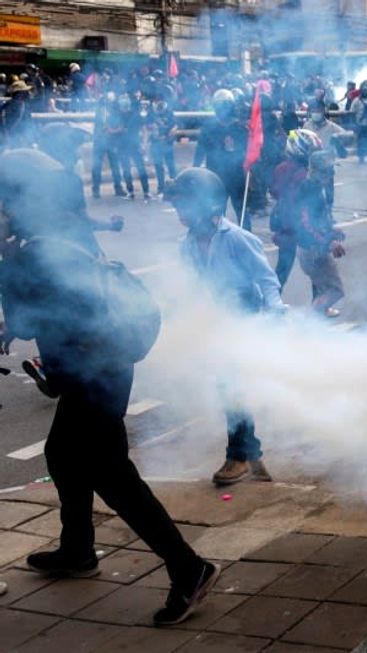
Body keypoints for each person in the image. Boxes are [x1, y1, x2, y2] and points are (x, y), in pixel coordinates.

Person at [0, 149, 220, 626]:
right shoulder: (61, 232)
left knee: (113, 476)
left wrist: (6, 263)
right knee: (62, 454)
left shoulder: (34, 251)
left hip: (95, 373)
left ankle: (189, 568)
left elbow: (20, 318)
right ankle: (77, 549)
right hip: (101, 366)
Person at [166, 168, 284, 486]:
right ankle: (252, 452)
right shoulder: (187, 244)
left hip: (244, 316)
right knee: (230, 388)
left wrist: (276, 310)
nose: (179, 212)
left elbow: (266, 280)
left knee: (232, 388)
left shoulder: (238, 239)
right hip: (217, 317)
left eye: (184, 204)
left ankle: (238, 457)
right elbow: (191, 284)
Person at [296, 150, 347, 317]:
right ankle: (310, 319)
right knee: (335, 290)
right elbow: (306, 225)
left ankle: (317, 317)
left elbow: (318, 219)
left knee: (322, 288)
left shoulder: (317, 188)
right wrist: (328, 243)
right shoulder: (308, 190)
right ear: (317, 171)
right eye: (327, 170)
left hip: (315, 247)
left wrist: (332, 230)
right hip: (312, 249)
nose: (331, 174)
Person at [270, 129, 322, 287]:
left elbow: (274, 192)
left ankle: (273, 303)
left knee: (282, 269)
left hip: (285, 223)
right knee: (317, 269)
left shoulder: (281, 168)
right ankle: (319, 306)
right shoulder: (305, 173)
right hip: (302, 224)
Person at [193, 89, 248, 225]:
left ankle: (246, 239)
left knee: (240, 211)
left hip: (234, 175)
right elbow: (200, 151)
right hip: (216, 176)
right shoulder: (209, 127)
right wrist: (195, 170)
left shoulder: (240, 127)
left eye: (225, 105)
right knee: (218, 212)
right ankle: (218, 239)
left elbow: (248, 150)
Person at [148, 96, 178, 197]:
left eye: (160, 100)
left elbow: (175, 126)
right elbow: (147, 126)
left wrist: (170, 134)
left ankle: (175, 187)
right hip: (155, 143)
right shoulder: (151, 113)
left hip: (167, 143)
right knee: (158, 166)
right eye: (157, 100)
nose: (159, 102)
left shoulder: (169, 112)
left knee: (171, 166)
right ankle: (161, 188)